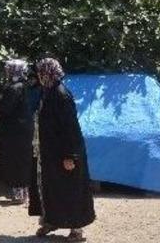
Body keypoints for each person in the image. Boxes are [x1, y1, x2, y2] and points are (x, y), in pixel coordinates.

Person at [28, 58, 95, 242]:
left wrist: (70, 156)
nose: (39, 76)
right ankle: (52, 220)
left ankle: (77, 229)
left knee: (71, 190)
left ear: (49, 73)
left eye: (42, 72)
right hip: (51, 153)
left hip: (65, 153)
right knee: (53, 188)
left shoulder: (61, 94)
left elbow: (70, 128)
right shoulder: (48, 91)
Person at [0, 59, 39, 203]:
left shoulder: (13, 88)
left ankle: (19, 194)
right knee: (23, 159)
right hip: (24, 128)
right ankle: (24, 193)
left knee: (15, 160)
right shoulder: (25, 86)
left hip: (14, 131)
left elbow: (5, 110)